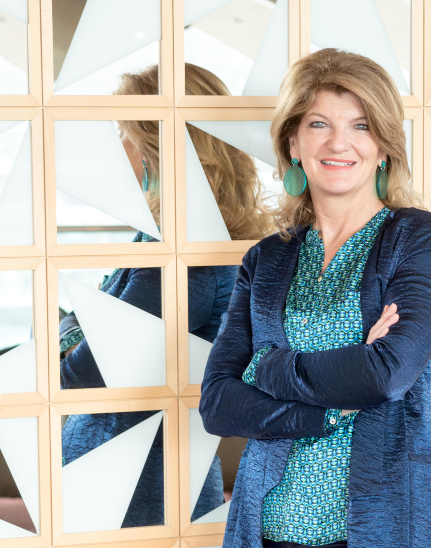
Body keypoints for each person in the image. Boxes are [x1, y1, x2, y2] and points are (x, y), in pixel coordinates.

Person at [200, 49, 431, 548]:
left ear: (384, 146)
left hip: (384, 526)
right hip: (265, 528)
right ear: (294, 143)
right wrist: (330, 409)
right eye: (319, 123)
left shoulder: (422, 241)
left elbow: (387, 375)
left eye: (361, 125)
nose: (339, 142)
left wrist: (268, 368)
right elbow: (217, 403)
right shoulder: (266, 259)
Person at [59, 63, 274, 527]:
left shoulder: (187, 254)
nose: (119, 148)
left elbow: (84, 371)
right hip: (126, 481)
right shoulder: (165, 240)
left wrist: (68, 327)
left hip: (138, 493)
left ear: (162, 147)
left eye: (125, 133)